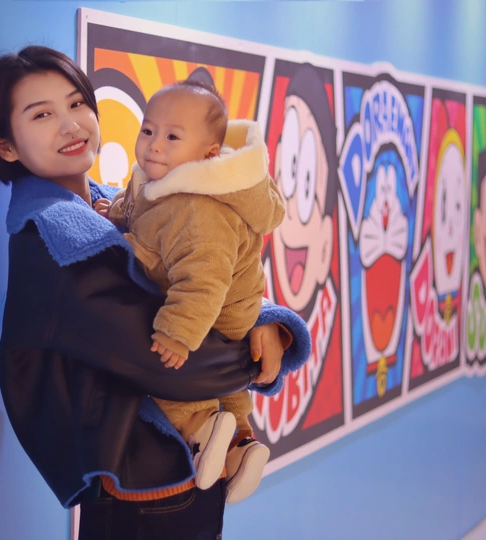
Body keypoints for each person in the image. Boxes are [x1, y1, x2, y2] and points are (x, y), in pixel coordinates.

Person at [0, 45, 311, 539]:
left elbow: (195, 275)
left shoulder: (114, 205)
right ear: (7, 146)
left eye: (77, 103)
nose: (70, 125)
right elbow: (170, 362)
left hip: (181, 474)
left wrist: (266, 319)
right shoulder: (56, 241)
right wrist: (255, 351)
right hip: (141, 492)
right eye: (42, 114)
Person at [93, 80, 288, 504]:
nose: (154, 145)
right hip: (221, 307)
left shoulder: (196, 209)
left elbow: (204, 280)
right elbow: (141, 204)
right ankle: (240, 446)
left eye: (172, 137)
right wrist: (116, 212)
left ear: (209, 154)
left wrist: (178, 332)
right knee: (230, 388)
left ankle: (201, 426)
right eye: (148, 130)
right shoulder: (167, 178)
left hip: (215, 311)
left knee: (171, 373)